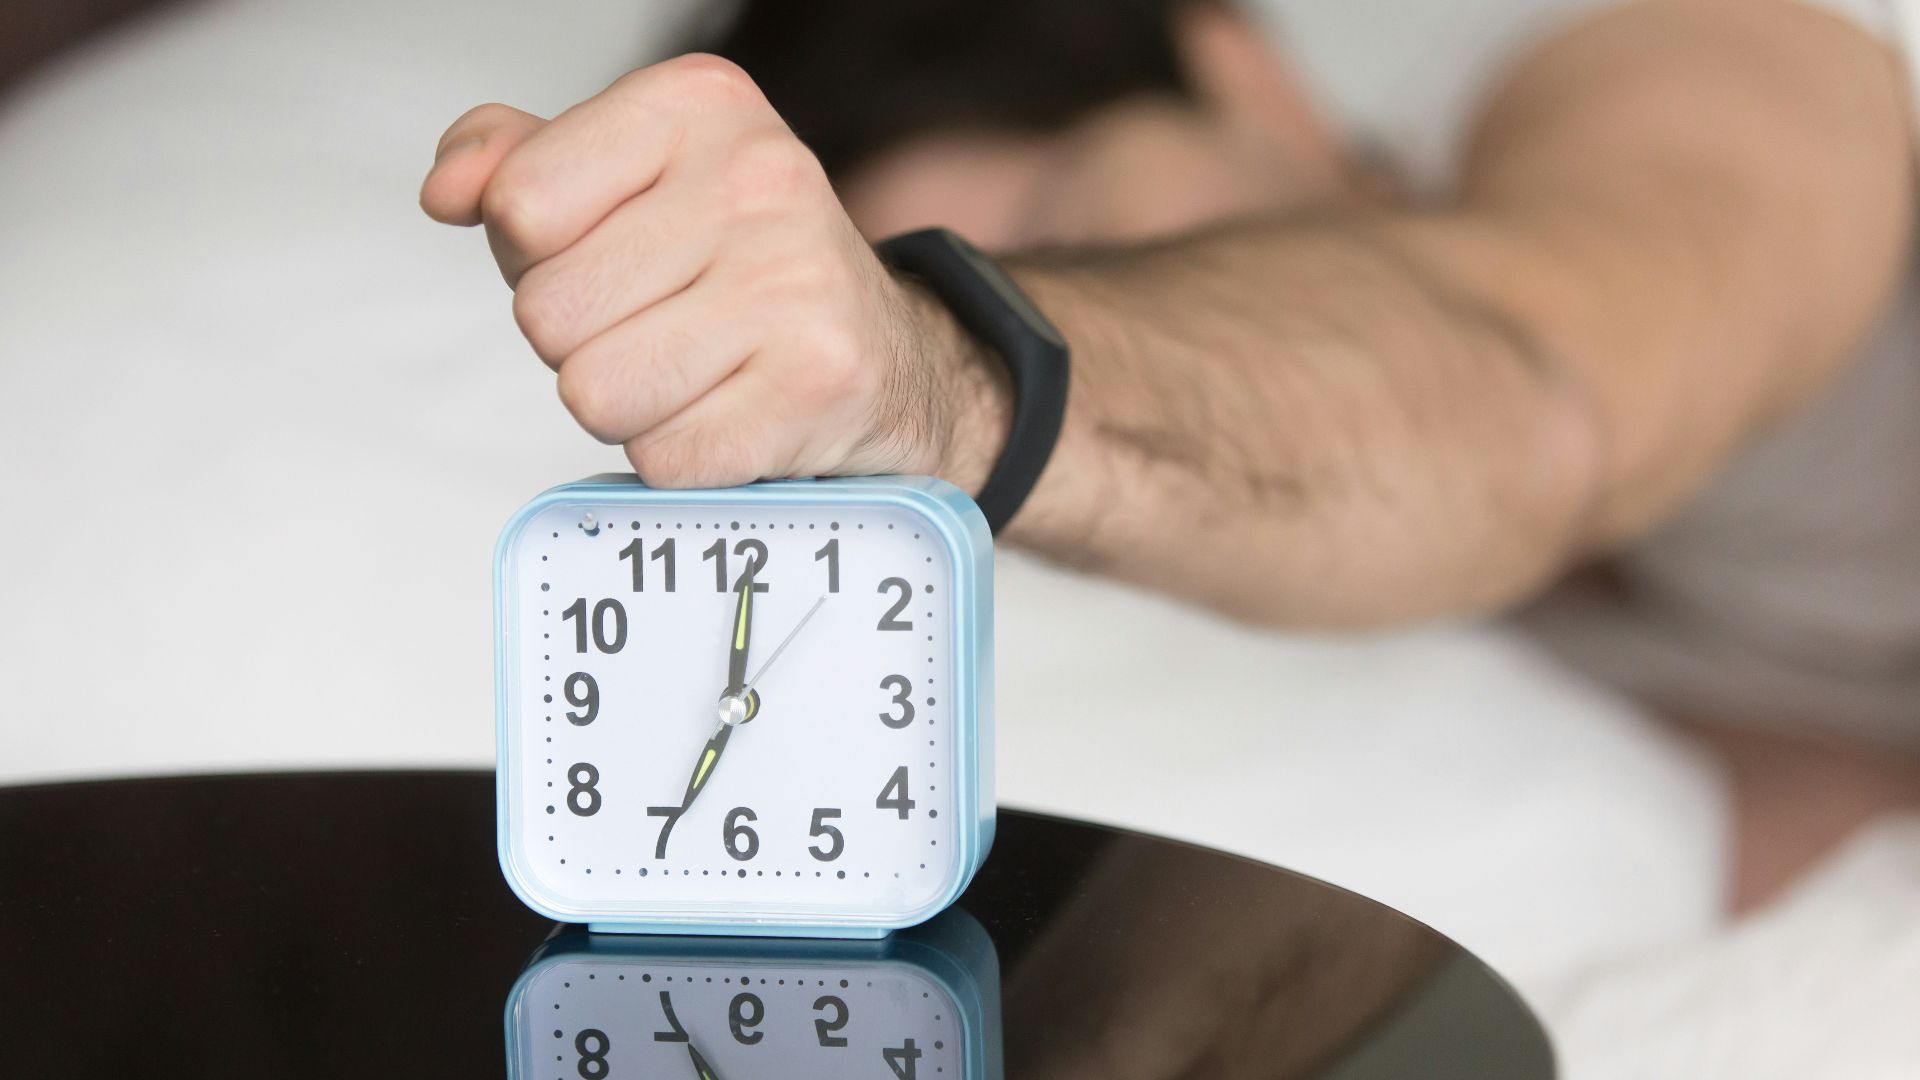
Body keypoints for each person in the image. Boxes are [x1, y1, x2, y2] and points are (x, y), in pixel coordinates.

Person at [419, 0, 1918, 907]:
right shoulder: (1443, 631)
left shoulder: (1699, 71)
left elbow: (1535, 387)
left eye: (1068, 241)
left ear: (1242, 72)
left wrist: (953, 372)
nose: (1099, 315)